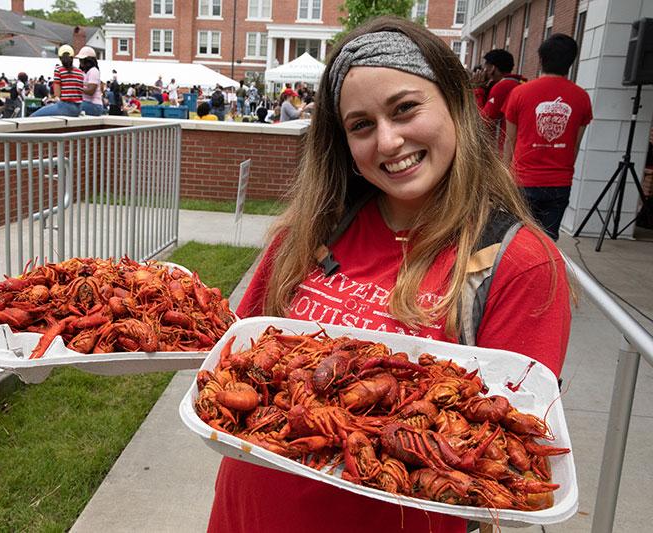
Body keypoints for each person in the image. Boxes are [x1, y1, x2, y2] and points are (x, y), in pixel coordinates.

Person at [208, 15, 571, 533]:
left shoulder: (515, 261)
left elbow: (512, 452)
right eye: (360, 125)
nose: (388, 142)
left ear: (456, 103)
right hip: (248, 514)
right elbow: (231, 361)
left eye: (405, 109)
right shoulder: (311, 233)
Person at [503, 34, 593, 241]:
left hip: (522, 179)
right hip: (559, 182)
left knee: (517, 240)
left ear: (541, 59)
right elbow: (575, 145)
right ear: (571, 62)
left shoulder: (520, 93)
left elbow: (510, 140)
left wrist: (504, 176)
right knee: (548, 242)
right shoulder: (581, 97)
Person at [474, 49, 525, 150]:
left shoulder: (502, 86)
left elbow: (483, 122)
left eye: (485, 66)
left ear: (492, 68)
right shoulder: (518, 82)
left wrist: (478, 89)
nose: (483, 70)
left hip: (504, 148)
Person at [31, 45, 84, 117]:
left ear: (60, 58)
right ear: (72, 57)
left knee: (33, 116)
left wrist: (53, 99)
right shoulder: (80, 72)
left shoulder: (58, 70)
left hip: (65, 107)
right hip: (78, 108)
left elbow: (57, 94)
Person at [75, 46, 104, 116]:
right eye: (80, 59)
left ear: (88, 60)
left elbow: (91, 91)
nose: (80, 61)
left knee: (72, 107)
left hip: (95, 106)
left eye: (82, 59)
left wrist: (77, 88)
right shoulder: (84, 72)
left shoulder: (93, 71)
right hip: (87, 103)